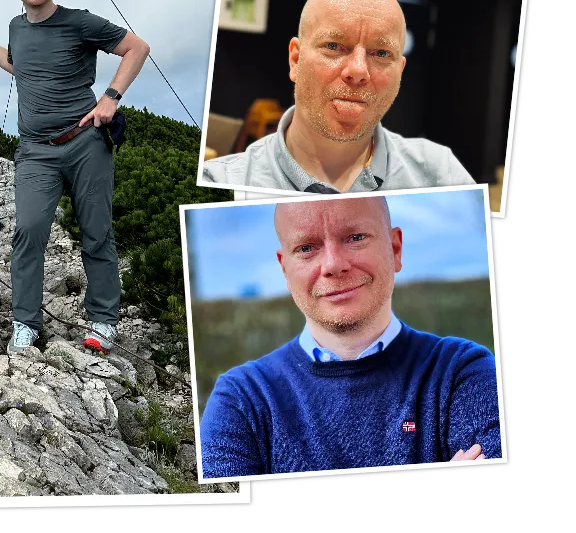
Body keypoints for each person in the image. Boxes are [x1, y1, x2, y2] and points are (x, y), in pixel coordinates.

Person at [198, 195, 502, 478]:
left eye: (355, 237)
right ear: (285, 269)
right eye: (306, 248)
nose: (333, 265)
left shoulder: (462, 372)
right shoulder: (242, 399)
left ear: (395, 249)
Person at [0, 0, 149, 355]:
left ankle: (102, 321)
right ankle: (26, 324)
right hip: (34, 151)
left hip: (85, 143)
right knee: (28, 231)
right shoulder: (16, 27)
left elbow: (137, 47)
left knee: (96, 232)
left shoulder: (80, 21)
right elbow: (17, 65)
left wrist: (111, 98)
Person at [201, 0, 474, 193]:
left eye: (381, 53)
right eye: (334, 46)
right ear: (295, 59)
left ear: (400, 72)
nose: (358, 71)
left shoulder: (441, 176)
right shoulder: (220, 183)